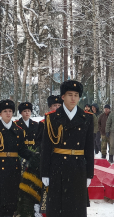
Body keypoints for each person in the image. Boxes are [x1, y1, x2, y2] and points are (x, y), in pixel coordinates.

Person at [40, 80, 94, 217]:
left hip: (78, 168)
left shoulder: (87, 118)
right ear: (63, 97)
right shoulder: (52, 118)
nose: (73, 98)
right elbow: (46, 147)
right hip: (57, 167)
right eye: (70, 94)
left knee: (76, 208)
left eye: (76, 95)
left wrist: (89, 173)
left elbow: (89, 148)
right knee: (57, 208)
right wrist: (44, 172)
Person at [0, 99, 34, 217]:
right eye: (5, 111)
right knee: (0, 202)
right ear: (0, 114)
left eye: (10, 111)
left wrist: (34, 156)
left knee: (12, 201)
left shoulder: (18, 131)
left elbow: (22, 150)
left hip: (13, 169)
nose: (8, 113)